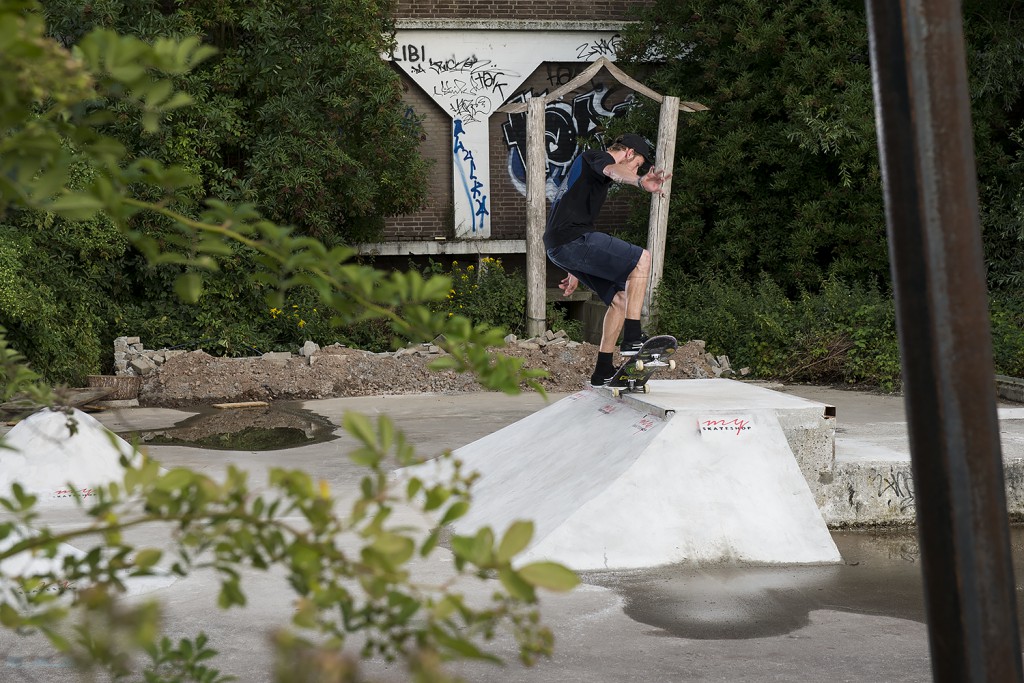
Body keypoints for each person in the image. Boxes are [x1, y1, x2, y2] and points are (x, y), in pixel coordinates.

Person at [544, 133, 672, 387]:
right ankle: (633, 336)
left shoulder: (590, 179)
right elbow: (613, 170)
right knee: (642, 259)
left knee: (619, 299)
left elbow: (569, 211)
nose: (636, 169)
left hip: (563, 245)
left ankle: (602, 369)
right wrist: (638, 181)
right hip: (572, 240)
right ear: (629, 153)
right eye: (636, 164)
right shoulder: (597, 157)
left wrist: (574, 270)